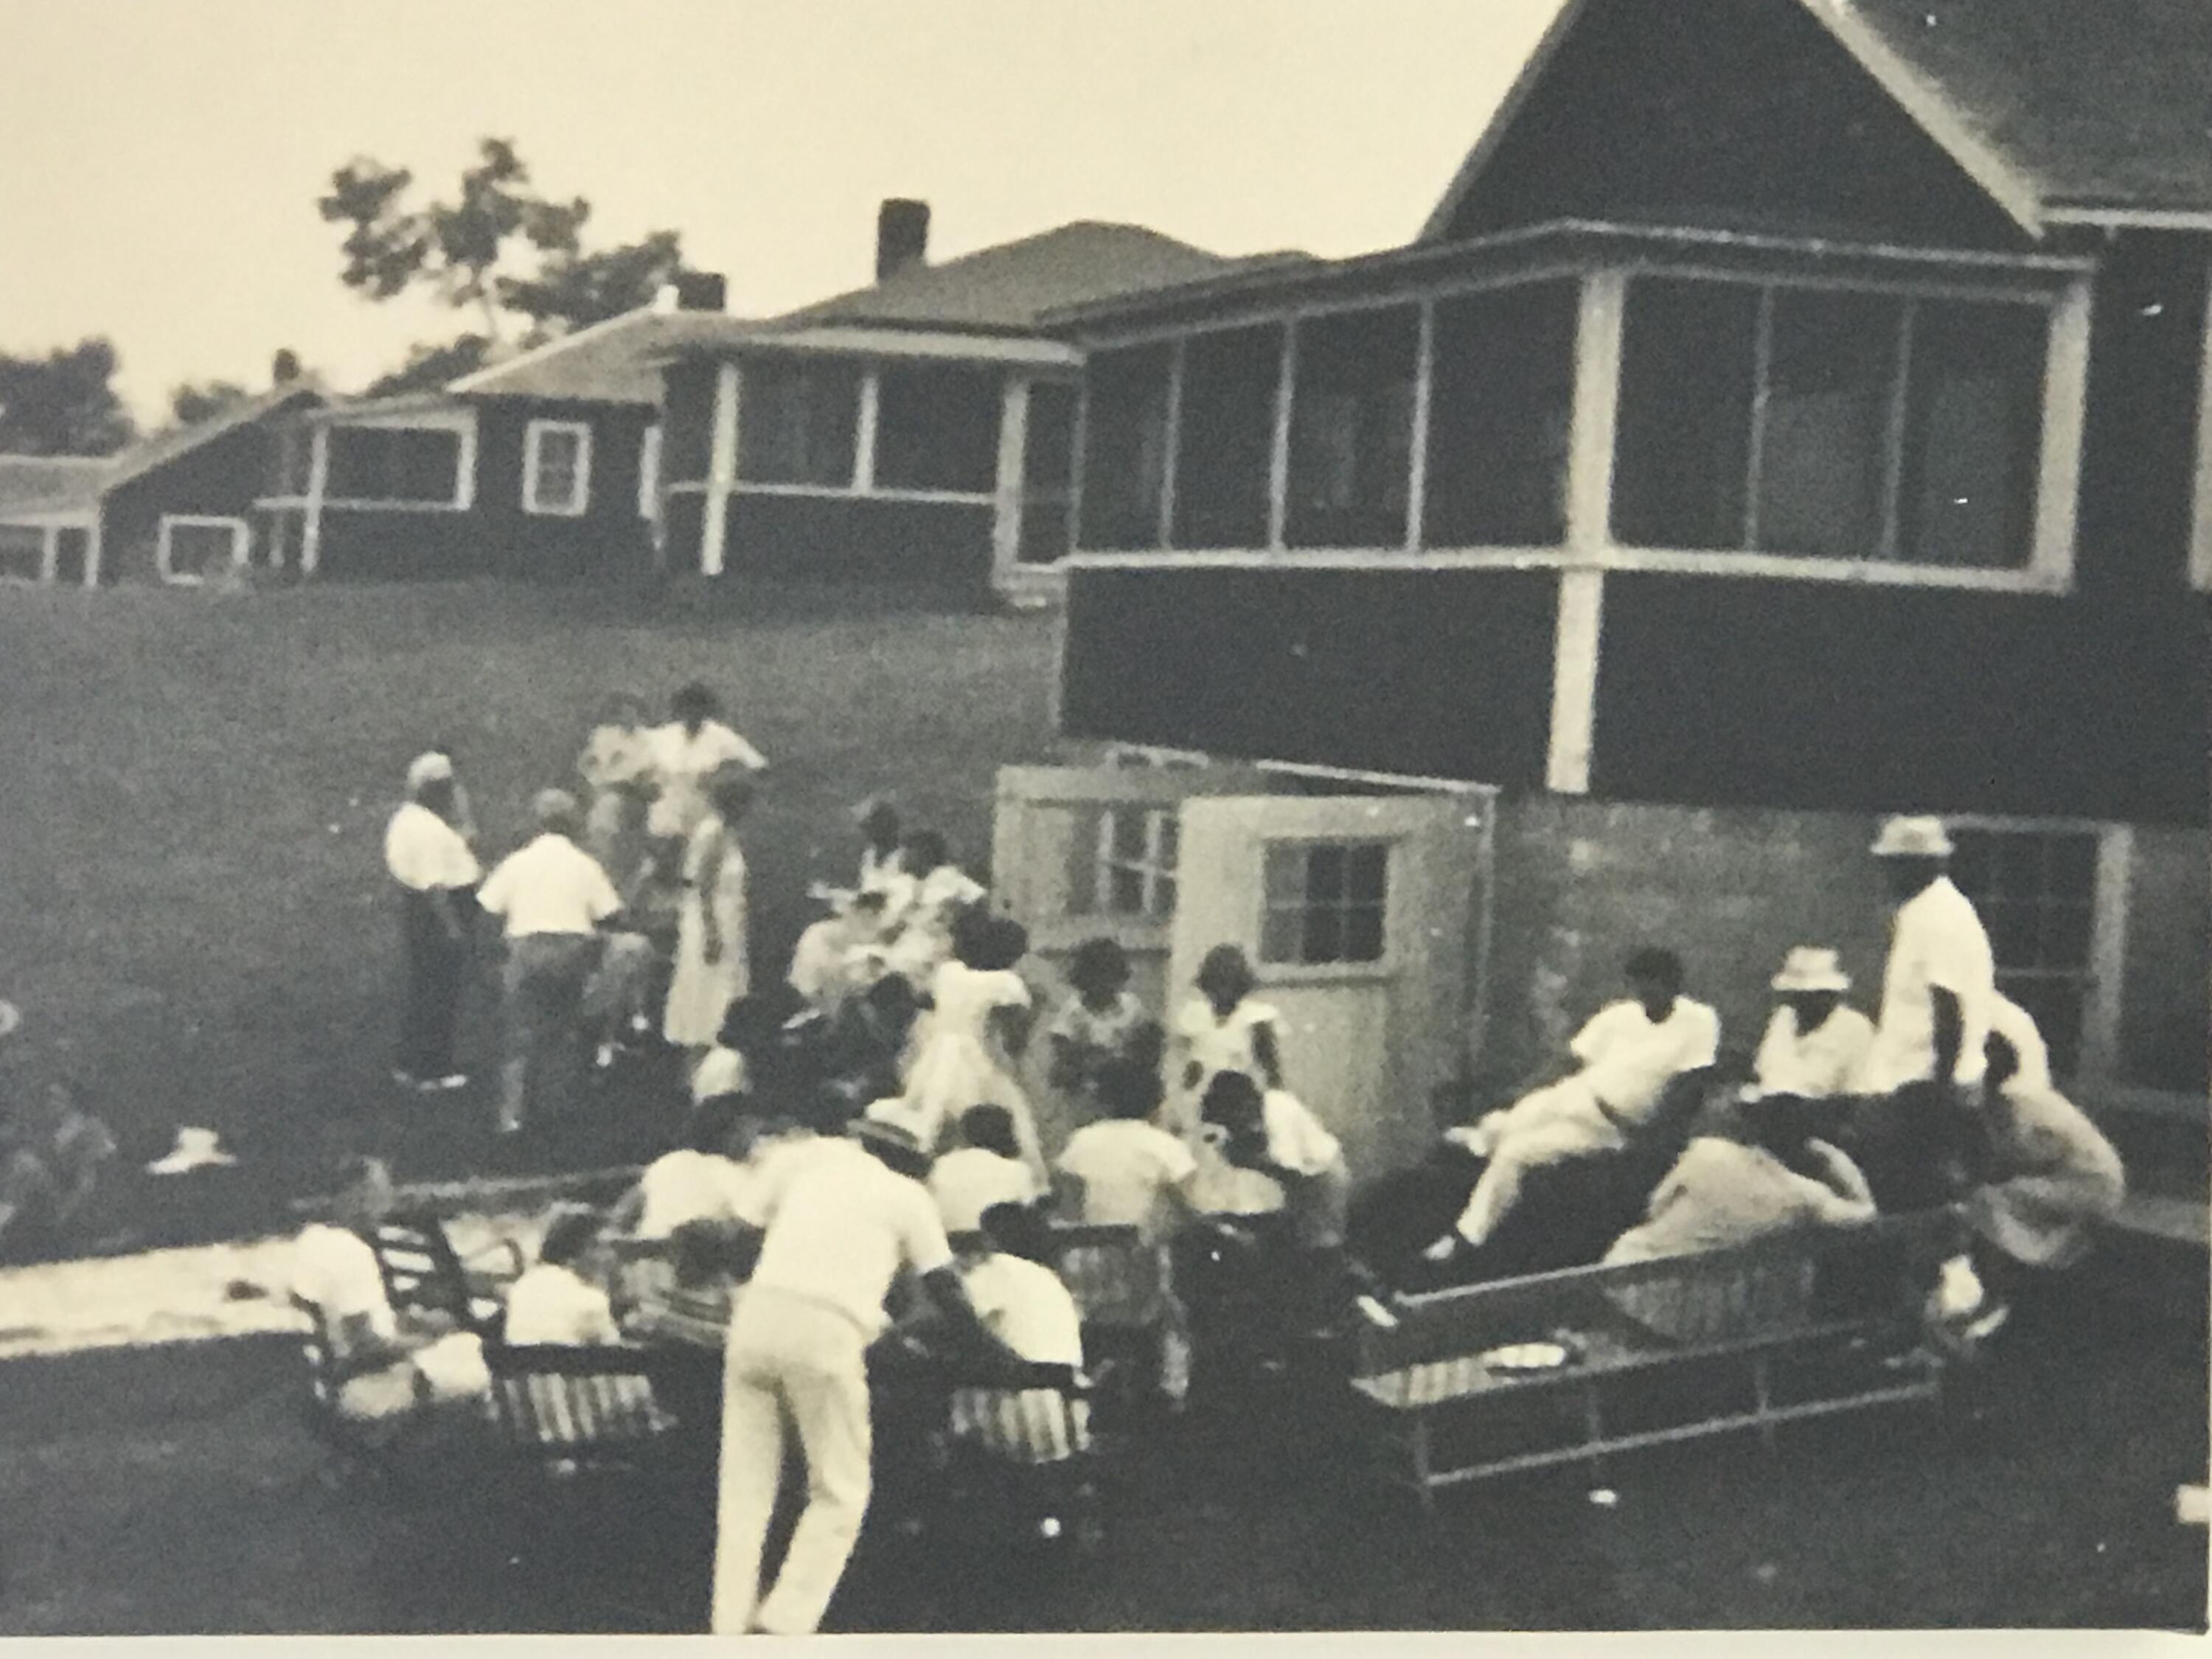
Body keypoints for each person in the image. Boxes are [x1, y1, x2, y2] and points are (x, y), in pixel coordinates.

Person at [710, 1110, 1028, 1637]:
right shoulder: (907, 1197)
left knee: (745, 1490)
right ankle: (784, 1624)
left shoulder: (810, 1172)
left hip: (757, 1316)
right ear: (911, 1160)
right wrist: (997, 1355)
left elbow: (737, 1242)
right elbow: (947, 1291)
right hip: (827, 1328)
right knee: (840, 1489)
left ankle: (727, 1625)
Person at [1426, 948, 1720, 1261]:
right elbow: (1570, 1059)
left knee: (1515, 1152)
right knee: (1516, 1116)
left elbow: (1692, 1082)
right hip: (1577, 1094)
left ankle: (1464, 1236)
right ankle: (1482, 1138)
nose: (1646, 997)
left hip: (1609, 1126)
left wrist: (1650, 1134)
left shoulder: (1699, 1021)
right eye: (1639, 988)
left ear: (1673, 985)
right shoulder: (1619, 1014)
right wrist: (1523, 1089)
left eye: (1655, 988)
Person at [1603, 1093, 1877, 1342]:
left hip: (1639, 1287)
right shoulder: (1802, 1196)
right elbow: (1866, 1214)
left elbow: (1656, 1205)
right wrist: (1836, 1161)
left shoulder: (1708, 1153)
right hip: (1709, 1308)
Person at [1851, 816, 2000, 1211]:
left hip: (1922, 1088)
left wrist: (1937, 1094)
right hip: (1904, 1083)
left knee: (1910, 1203)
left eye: (1895, 864)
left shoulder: (1941, 916)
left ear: (1923, 865)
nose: (1887, 874)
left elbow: (1948, 1011)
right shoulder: (1919, 912)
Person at [289, 1155, 490, 1440]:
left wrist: (412, 1323)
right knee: (488, 1361)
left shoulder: (311, 1240)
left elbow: (350, 1324)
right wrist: (429, 1340)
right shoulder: (352, 1253)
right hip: (369, 1388)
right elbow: (367, 1346)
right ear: (359, 1196)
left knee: (465, 1345)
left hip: (331, 1384)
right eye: (382, 1194)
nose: (387, 1205)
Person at [477, 790, 625, 1135]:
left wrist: (495, 958)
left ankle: (513, 1115)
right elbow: (611, 915)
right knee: (563, 1030)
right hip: (572, 951)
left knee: (519, 1034)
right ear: (572, 825)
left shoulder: (517, 862)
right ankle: (557, 1107)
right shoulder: (585, 864)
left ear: (538, 823)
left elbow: (487, 910)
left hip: (526, 950)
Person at [1964, 1026, 2126, 1321]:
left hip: (2088, 1184)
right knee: (1992, 1196)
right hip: (2078, 1180)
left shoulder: (2014, 1102)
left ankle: (1998, 1296)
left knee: (1984, 1200)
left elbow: (2031, 1157)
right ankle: (2025, 1277)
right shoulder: (2008, 1098)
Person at [902, 916, 1045, 1176]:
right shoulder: (1005, 984)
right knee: (1000, 1116)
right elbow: (1015, 1041)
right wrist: (1035, 1009)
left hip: (938, 1054)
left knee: (936, 1118)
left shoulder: (948, 973)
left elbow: (925, 1001)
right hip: (978, 1055)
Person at [383, 751, 481, 1091]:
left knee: (425, 989)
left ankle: (410, 1062)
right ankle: (432, 1068)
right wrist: (453, 928)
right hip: (438, 916)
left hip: (422, 914)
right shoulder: (427, 831)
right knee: (440, 992)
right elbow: (436, 887)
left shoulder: (411, 819)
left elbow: (465, 836)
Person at [665, 771, 755, 1084]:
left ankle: (711, 1073)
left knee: (720, 994)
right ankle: (696, 1074)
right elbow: (701, 886)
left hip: (728, 919)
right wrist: (712, 932)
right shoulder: (713, 833)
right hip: (712, 921)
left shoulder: (726, 834)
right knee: (706, 997)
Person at [1747, 947, 1877, 1130]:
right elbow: (1764, 1071)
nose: (1806, 1001)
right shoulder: (1783, 1019)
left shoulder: (1855, 1028)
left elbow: (1859, 1096)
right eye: (1799, 995)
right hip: (1768, 1116)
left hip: (1824, 1124)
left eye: (1816, 994)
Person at [0, 1078, 119, 1264]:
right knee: (20, 1162)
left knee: (25, 1164)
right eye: (49, 1098)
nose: (50, 1103)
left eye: (56, 1098)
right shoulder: (53, 1129)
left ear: (71, 1101)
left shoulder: (91, 1129)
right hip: (45, 1195)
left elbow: (90, 1179)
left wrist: (65, 1212)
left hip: (73, 1201)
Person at [1170, 947, 1283, 1135]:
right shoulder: (1194, 1016)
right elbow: (1189, 1066)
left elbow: (1270, 1066)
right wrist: (1182, 1102)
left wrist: (1276, 1104)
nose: (1223, 991)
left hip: (1244, 1099)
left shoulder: (1256, 1019)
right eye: (1217, 984)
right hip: (1202, 1097)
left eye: (1230, 984)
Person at [646, 684, 767, 856]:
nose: (693, 714)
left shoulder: (721, 736)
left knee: (701, 854)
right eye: (688, 708)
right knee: (664, 858)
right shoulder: (662, 736)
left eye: (699, 708)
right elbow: (640, 760)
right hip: (667, 808)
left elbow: (757, 764)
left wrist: (723, 779)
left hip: (703, 806)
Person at [1046, 939, 1150, 1105]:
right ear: (1084, 981)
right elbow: (1062, 1049)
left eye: (1110, 979)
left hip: (1122, 1089)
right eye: (1096, 980)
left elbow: (1144, 1045)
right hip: (1084, 1091)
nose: (1103, 986)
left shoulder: (1132, 1007)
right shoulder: (1074, 1011)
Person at [504, 1206, 626, 1346]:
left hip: (522, 1365)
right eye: (599, 1248)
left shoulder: (522, 1287)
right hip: (571, 1366)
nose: (609, 1256)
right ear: (573, 1255)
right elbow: (614, 1352)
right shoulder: (591, 1300)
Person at [882, 830, 986, 986]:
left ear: (924, 854)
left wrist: (958, 919)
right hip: (909, 949)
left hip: (931, 953)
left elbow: (978, 898)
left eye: (908, 852)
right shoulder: (914, 884)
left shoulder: (946, 877)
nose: (902, 858)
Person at [577, 692, 656, 883]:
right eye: (623, 711)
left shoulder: (650, 738)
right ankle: (601, 874)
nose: (628, 716)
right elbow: (593, 766)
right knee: (605, 823)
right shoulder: (604, 736)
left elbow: (647, 768)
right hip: (612, 792)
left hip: (643, 796)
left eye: (633, 711)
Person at [928, 1105, 1042, 1237]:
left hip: (947, 1240)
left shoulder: (940, 1165)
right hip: (995, 1244)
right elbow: (1028, 1215)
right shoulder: (1017, 1171)